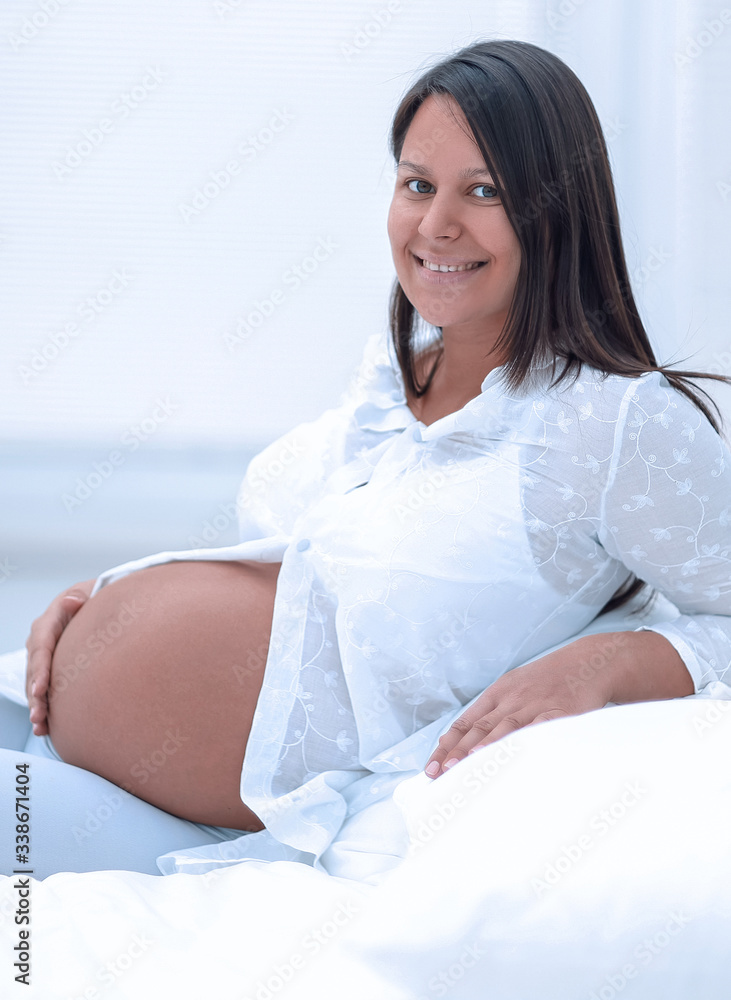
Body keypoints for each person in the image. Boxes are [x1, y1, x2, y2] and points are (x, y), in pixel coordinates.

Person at [6, 38, 731, 879]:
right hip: (51, 704)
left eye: (484, 191)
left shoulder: (616, 424)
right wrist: (104, 601)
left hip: (221, 818)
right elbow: (304, 565)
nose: (435, 225)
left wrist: (608, 663)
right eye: (417, 184)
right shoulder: (391, 374)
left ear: (557, 207)